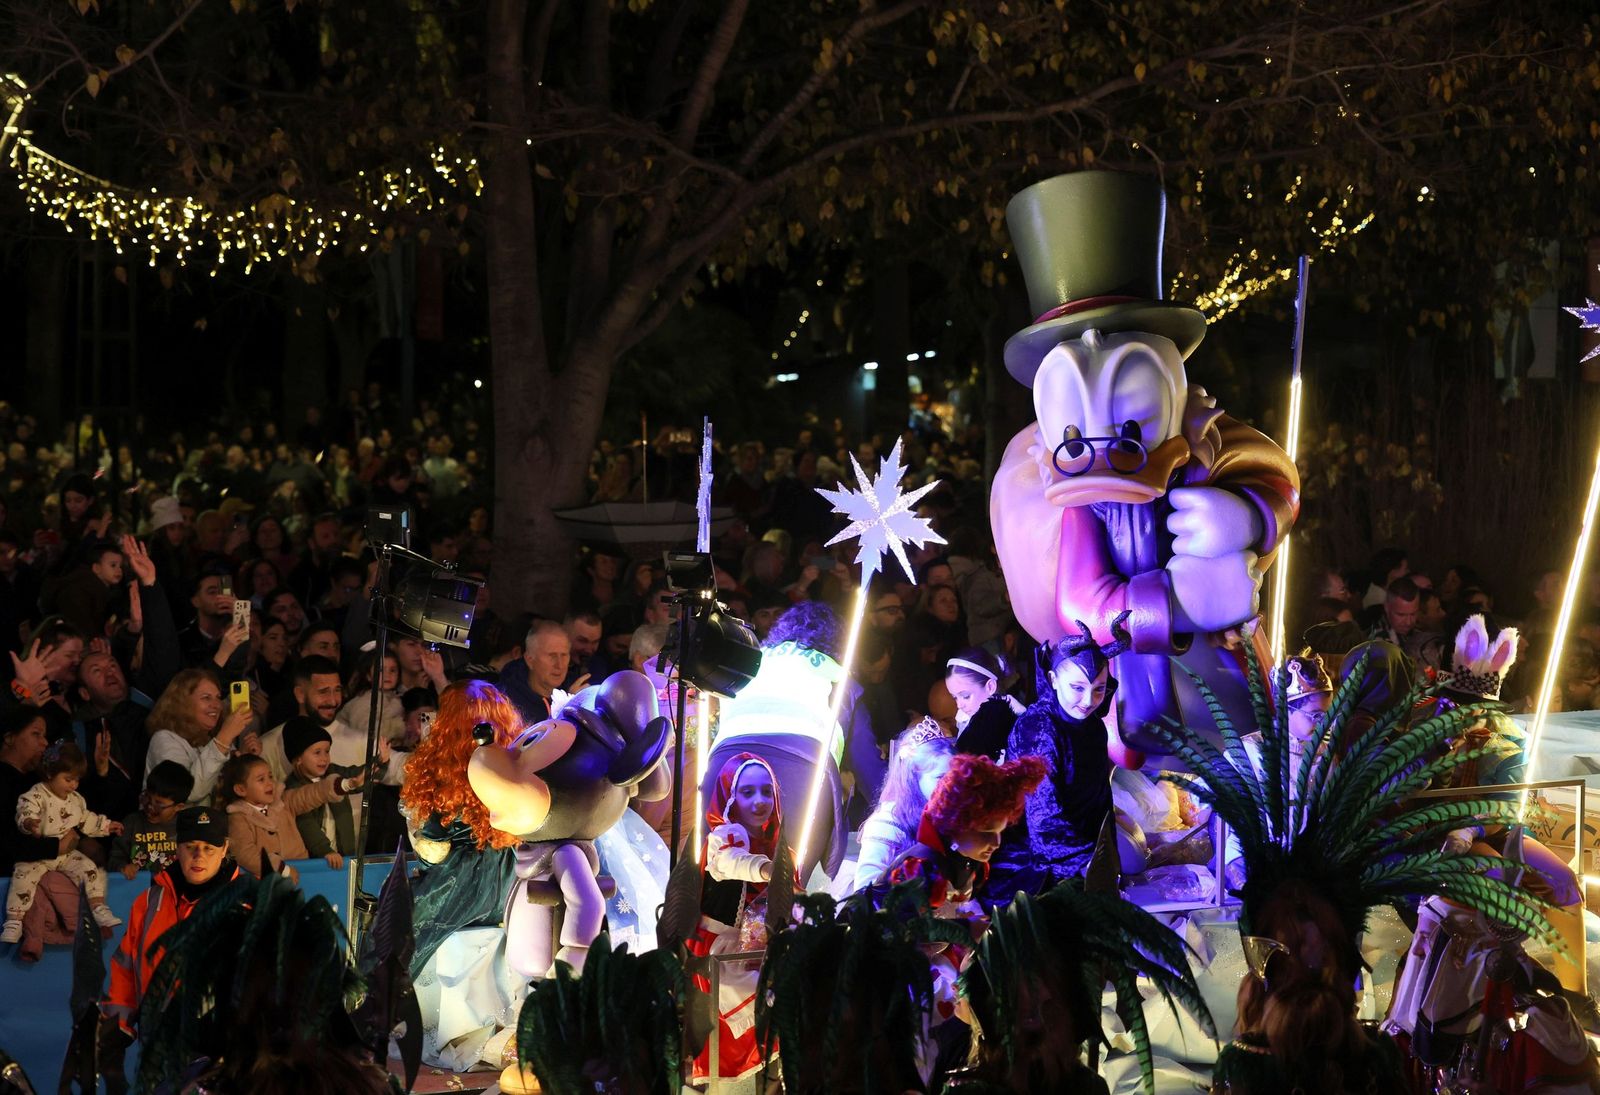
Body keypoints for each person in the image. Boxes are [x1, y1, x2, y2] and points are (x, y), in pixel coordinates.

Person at [989, 615, 1134, 897]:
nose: (1088, 701)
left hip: (1083, 859)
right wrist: (1087, 864)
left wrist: (1106, 859)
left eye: (1099, 689)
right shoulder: (1037, 730)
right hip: (1034, 870)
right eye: (1077, 688)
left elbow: (1099, 800)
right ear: (1053, 680)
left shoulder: (1093, 726)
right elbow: (1043, 820)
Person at [101, 806, 242, 1048]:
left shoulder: (249, 900)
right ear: (177, 847)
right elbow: (125, 967)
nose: (198, 856)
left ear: (224, 849)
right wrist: (119, 1024)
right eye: (190, 847)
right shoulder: (149, 902)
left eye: (209, 848)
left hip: (226, 1045)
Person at [690, 753, 785, 1080]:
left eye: (766, 791)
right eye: (747, 792)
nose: (760, 801)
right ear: (730, 797)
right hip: (719, 948)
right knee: (762, 995)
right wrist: (767, 869)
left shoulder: (775, 846)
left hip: (756, 949)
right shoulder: (726, 836)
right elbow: (730, 861)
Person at [881, 752, 1045, 913]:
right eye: (986, 832)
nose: (996, 843)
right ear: (956, 824)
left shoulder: (970, 859)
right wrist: (967, 925)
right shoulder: (920, 868)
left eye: (1000, 831)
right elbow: (904, 926)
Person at [2, 741, 124, 941]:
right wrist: (29, 822)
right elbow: (24, 811)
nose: (73, 785)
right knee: (22, 877)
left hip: (66, 854)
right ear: (50, 773)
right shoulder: (36, 794)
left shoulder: (75, 799)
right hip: (40, 854)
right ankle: (14, 920)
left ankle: (98, 907)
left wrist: (106, 826)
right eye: (68, 779)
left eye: (77, 780)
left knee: (89, 868)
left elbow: (86, 819)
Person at [217, 753, 361, 879]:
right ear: (241, 789)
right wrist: (282, 869)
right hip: (269, 884)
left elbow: (309, 795)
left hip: (303, 874)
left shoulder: (283, 802)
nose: (269, 783)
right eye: (261, 779)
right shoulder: (238, 818)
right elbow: (245, 853)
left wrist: (346, 784)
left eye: (270, 777)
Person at [852, 721, 953, 892]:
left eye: (953, 776)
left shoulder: (946, 817)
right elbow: (864, 891)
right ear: (914, 776)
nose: (950, 785)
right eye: (940, 778)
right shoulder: (887, 821)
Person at [143, 668, 254, 803]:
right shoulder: (164, 739)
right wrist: (223, 738)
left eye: (218, 697)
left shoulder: (214, 737)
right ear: (182, 702)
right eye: (206, 698)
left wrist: (244, 760)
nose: (217, 705)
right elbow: (187, 793)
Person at [283, 716, 369, 868]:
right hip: (318, 861)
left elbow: (356, 776)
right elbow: (306, 824)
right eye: (317, 752)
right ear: (298, 758)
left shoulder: (332, 772)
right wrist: (325, 850)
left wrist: (379, 763)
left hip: (344, 855)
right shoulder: (294, 789)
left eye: (327, 751)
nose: (324, 758)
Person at [108, 760, 193, 879]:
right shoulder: (132, 823)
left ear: (178, 807)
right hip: (138, 886)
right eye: (147, 796)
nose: (150, 806)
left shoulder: (186, 828)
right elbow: (114, 858)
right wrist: (122, 867)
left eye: (159, 803)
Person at [0, 707, 53, 878]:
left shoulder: (37, 782)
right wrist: (56, 847)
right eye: (36, 734)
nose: (45, 742)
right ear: (10, 738)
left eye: (44, 735)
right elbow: (6, 843)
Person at [948, 648, 1025, 761]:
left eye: (966, 696)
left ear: (990, 687)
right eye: (955, 697)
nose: (959, 705)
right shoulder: (966, 718)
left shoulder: (1018, 724)